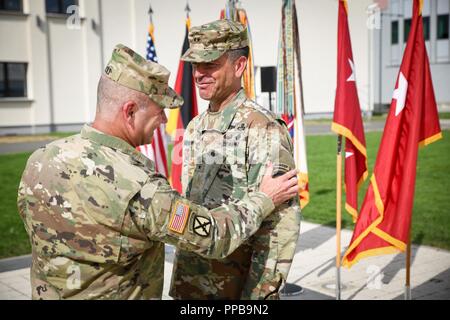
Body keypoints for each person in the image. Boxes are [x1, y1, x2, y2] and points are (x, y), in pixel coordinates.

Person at [16, 44, 299, 300]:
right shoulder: (139, 189)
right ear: (129, 111)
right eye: (158, 110)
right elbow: (213, 235)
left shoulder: (40, 161)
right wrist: (264, 198)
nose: (165, 119)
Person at [169, 20, 302, 300]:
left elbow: (280, 225)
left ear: (239, 66)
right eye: (195, 65)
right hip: (191, 283)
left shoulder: (262, 128)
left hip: (235, 287)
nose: (199, 74)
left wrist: (260, 294)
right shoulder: (195, 126)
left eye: (210, 65)